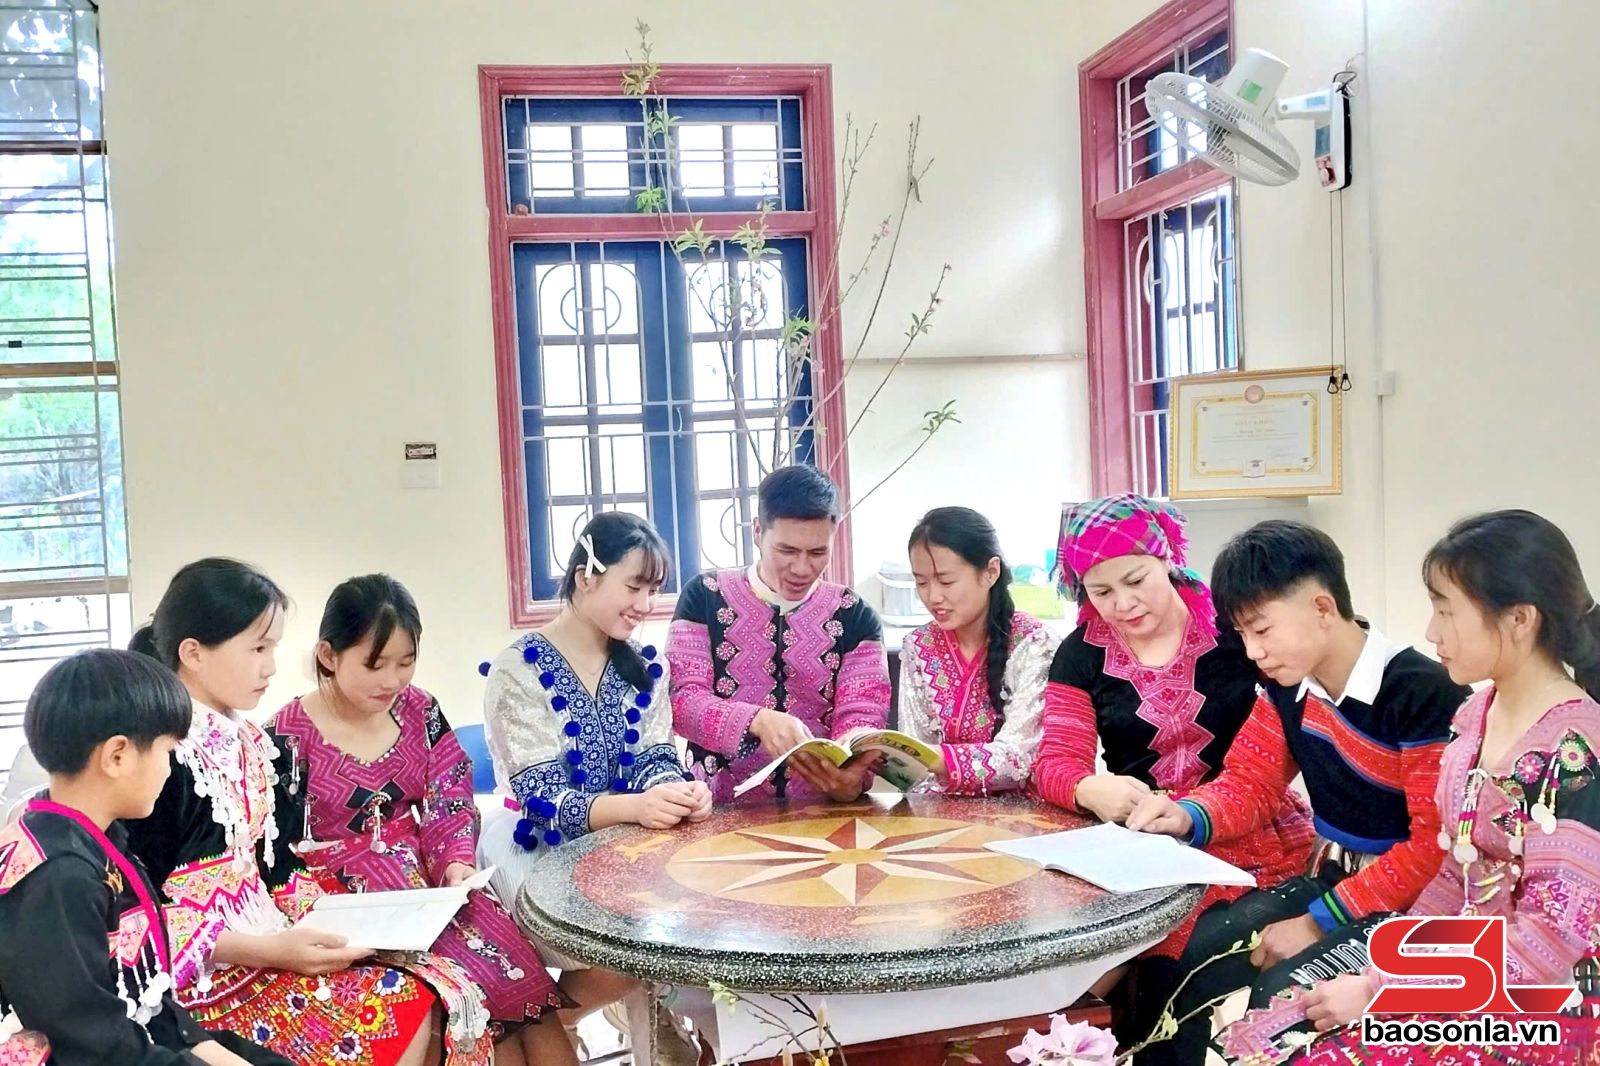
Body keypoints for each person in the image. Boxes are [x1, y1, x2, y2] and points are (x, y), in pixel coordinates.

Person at [1124, 520, 1469, 1065]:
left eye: (1261, 629)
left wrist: (1314, 923)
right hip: (1330, 879)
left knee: (1282, 999)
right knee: (1182, 954)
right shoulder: (1287, 687)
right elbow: (1249, 783)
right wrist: (1185, 815)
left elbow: (1433, 849)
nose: (1253, 651)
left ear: (1322, 607)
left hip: (1412, 905)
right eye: (1242, 634)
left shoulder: (1423, 691)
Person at [124, 558, 493, 1066]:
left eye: (272, 649)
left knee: (438, 990)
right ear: (194, 653)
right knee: (404, 1007)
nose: (271, 667)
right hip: (203, 979)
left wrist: (345, 923)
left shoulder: (253, 745)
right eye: (258, 648)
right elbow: (139, 910)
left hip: (275, 940)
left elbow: (277, 865)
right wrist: (275, 950)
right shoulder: (161, 757)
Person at [1279, 511, 1600, 1064]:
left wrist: (1386, 992)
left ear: (1519, 619)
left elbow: (1553, 943)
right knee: (1279, 1025)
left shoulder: (1575, 753)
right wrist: (1383, 972)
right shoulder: (1476, 714)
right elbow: (1456, 871)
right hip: (1464, 973)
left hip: (1543, 1005)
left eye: (1446, 611)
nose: (1432, 632)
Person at [1027, 495, 1314, 1050]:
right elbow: (1055, 763)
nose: (1122, 604)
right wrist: (1089, 787)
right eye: (1100, 592)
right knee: (1082, 964)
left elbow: (1274, 755)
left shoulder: (1233, 630)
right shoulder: (1081, 654)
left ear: (1167, 558)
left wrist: (1192, 811)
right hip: (1142, 839)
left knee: (1174, 967)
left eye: (1136, 580)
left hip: (1245, 826)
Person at [269, 574, 575, 1066]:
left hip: (430, 884)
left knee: (515, 978)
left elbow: (450, 798)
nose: (392, 680)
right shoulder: (284, 737)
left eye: (405, 662)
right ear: (328, 655)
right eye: (375, 664)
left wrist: (455, 863)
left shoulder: (420, 710)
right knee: (453, 999)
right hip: (344, 902)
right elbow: (274, 849)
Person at [0, 649, 291, 1066]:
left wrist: (209, 1050)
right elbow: (90, 1043)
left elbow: (147, 999)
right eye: (166, 752)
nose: (170, 770)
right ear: (117, 756)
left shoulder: (101, 839)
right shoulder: (57, 875)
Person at [479, 512, 707, 1028]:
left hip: (624, 842)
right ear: (586, 577)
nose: (645, 605)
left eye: (654, 590)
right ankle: (540, 1031)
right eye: (634, 586)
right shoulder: (518, 670)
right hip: (535, 845)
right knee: (626, 951)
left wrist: (677, 793)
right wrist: (636, 807)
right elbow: (541, 798)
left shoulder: (645, 665)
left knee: (685, 923)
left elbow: (654, 757)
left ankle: (541, 1029)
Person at [669, 465, 892, 803]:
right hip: (717, 812)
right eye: (786, 551)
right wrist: (756, 721)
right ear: (758, 532)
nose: (802, 568)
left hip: (824, 815)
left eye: (818, 552)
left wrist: (852, 776)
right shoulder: (705, 597)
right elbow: (682, 702)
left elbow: (861, 718)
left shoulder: (854, 615)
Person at [897, 506, 1060, 795]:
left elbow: (1020, 758)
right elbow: (913, 769)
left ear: (990, 572)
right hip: (937, 813)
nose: (932, 596)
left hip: (1024, 816)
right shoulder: (918, 646)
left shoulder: (1035, 644)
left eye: (946, 581)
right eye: (921, 582)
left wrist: (934, 759)